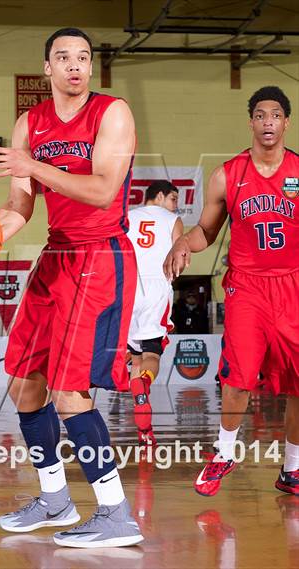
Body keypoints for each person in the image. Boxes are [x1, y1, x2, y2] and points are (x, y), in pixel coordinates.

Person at [0, 28, 143, 547]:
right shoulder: (31, 123)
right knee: (25, 384)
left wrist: (34, 165)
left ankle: (116, 512)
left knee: (71, 394)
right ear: (46, 69)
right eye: (64, 58)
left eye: (84, 58)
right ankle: (55, 498)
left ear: (90, 68)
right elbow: (20, 205)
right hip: (57, 254)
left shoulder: (112, 112)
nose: (75, 66)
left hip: (101, 254)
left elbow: (101, 191)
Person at [164, 85, 299, 497]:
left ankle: (292, 469)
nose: (268, 122)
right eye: (260, 115)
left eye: (275, 115)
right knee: (238, 376)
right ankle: (224, 452)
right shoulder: (228, 174)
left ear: (286, 122)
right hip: (248, 286)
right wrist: (184, 242)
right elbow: (206, 230)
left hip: (293, 284)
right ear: (251, 122)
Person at [126, 180, 183, 447]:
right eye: (173, 198)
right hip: (156, 286)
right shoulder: (173, 219)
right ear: (159, 196)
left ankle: (145, 429)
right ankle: (144, 383)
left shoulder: (126, 216)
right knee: (151, 354)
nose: (176, 204)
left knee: (135, 358)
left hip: (126, 289)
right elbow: (179, 255)